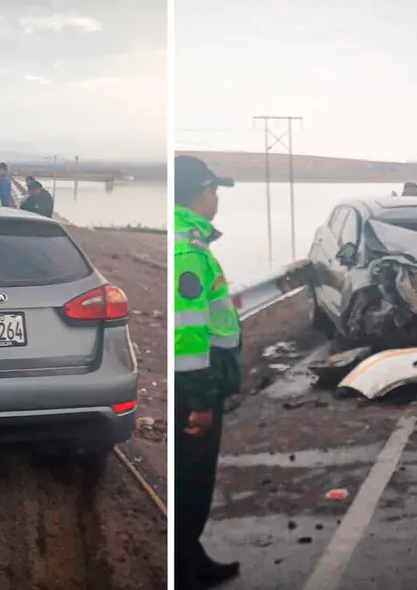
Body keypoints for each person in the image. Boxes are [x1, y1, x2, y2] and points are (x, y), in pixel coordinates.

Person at [173, 155, 243, 590]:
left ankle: (192, 559)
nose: (216, 199)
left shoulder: (192, 243)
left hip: (200, 381)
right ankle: (184, 571)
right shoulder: (187, 249)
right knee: (192, 484)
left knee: (196, 482)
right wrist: (199, 404)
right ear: (200, 193)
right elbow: (188, 335)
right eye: (214, 190)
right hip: (195, 387)